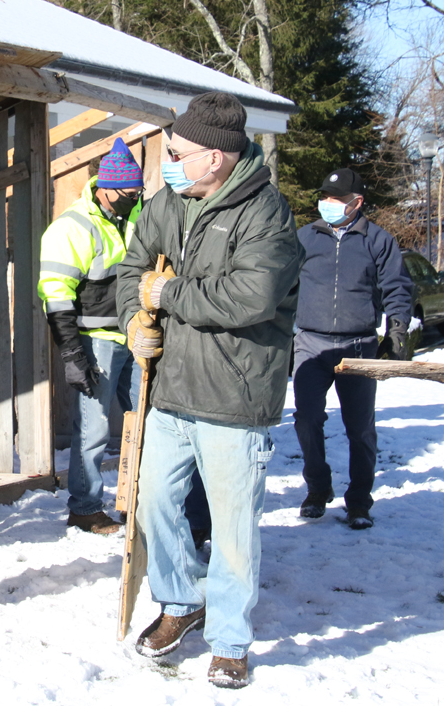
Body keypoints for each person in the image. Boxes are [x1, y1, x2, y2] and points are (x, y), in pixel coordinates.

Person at [116, 92, 303, 688]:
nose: (166, 161)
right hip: (170, 387)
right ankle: (179, 602)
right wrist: (132, 322)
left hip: (235, 394)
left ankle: (229, 639)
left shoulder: (265, 214)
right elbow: (131, 269)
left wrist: (163, 297)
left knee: (232, 525)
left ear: (216, 158)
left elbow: (248, 298)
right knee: (154, 505)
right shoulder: (169, 200)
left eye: (177, 152)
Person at [293, 168, 412, 530]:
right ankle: (317, 489)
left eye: (336, 199)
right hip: (310, 344)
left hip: (358, 345)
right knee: (307, 419)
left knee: (360, 428)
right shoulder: (304, 238)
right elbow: (282, 287)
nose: (327, 204)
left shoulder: (378, 240)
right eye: (324, 197)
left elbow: (397, 287)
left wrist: (397, 329)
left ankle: (359, 501)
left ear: (356, 203)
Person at [37, 139, 144, 534]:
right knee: (94, 428)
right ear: (105, 187)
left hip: (137, 332)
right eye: (127, 194)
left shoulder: (138, 214)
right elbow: (56, 293)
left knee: (148, 419)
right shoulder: (71, 227)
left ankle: (142, 500)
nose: (133, 200)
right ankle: (84, 508)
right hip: (95, 338)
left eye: (138, 193)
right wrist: (71, 354)